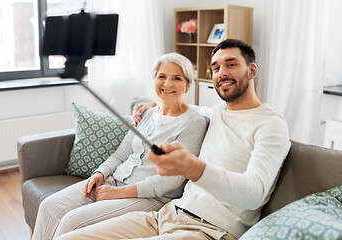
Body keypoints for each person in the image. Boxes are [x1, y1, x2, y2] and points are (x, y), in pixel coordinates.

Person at [56, 39, 291, 240]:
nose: (222, 73)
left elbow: (255, 194)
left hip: (209, 231)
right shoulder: (218, 112)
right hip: (167, 215)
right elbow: (190, 110)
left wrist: (196, 168)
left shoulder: (271, 125)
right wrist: (155, 105)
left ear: (251, 70)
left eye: (231, 64)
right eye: (216, 68)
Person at [31, 52, 208, 240]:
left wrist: (116, 193)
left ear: (188, 85)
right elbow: (121, 154)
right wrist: (100, 173)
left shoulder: (193, 122)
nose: (167, 84)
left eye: (177, 78)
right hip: (114, 180)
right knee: (49, 206)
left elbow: (170, 181)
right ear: (154, 79)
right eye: (161, 76)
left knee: (71, 222)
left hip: (150, 197)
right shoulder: (147, 114)